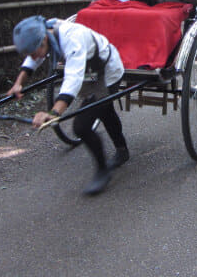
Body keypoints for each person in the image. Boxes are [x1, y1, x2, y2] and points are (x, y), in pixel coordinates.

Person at [7, 15, 129, 195]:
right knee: (104, 110)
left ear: (44, 39)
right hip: (89, 73)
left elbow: (73, 77)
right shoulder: (45, 32)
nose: (33, 57)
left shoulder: (72, 38)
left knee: (82, 126)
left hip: (106, 70)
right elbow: (34, 58)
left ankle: (103, 170)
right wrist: (19, 82)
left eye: (34, 51)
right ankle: (122, 150)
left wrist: (54, 113)